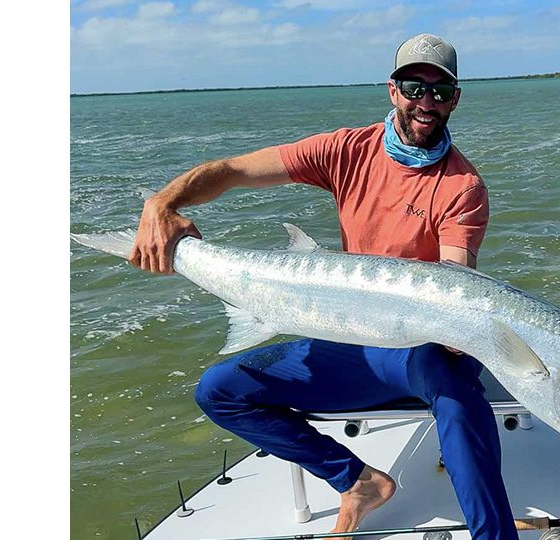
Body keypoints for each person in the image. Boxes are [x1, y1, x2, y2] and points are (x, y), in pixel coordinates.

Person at [128, 34, 517, 540]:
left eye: (440, 92)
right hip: (347, 342)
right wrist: (162, 205)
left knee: (459, 395)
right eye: (413, 88)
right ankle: (357, 480)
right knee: (220, 390)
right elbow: (232, 172)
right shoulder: (345, 150)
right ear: (392, 91)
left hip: (413, 350)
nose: (426, 103)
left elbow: (452, 280)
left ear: (455, 100)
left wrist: (458, 330)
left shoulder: (462, 186)